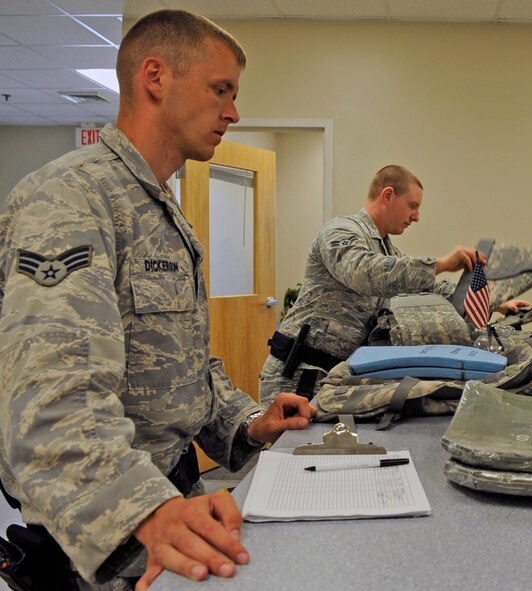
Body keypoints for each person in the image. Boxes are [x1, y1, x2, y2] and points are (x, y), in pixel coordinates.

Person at [0, 10, 316, 591]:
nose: (233, 112)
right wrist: (143, 509)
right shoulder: (71, 198)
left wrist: (249, 424)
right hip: (106, 529)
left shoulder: (161, 210)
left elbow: (184, 368)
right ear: (155, 77)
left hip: (173, 496)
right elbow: (49, 401)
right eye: (220, 89)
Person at [259, 164, 530, 404]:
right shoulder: (341, 231)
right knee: (289, 457)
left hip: (336, 378)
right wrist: (440, 263)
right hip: (297, 376)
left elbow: (430, 290)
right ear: (388, 195)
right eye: (413, 206)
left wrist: (497, 304)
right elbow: (364, 272)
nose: (416, 216)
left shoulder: (389, 252)